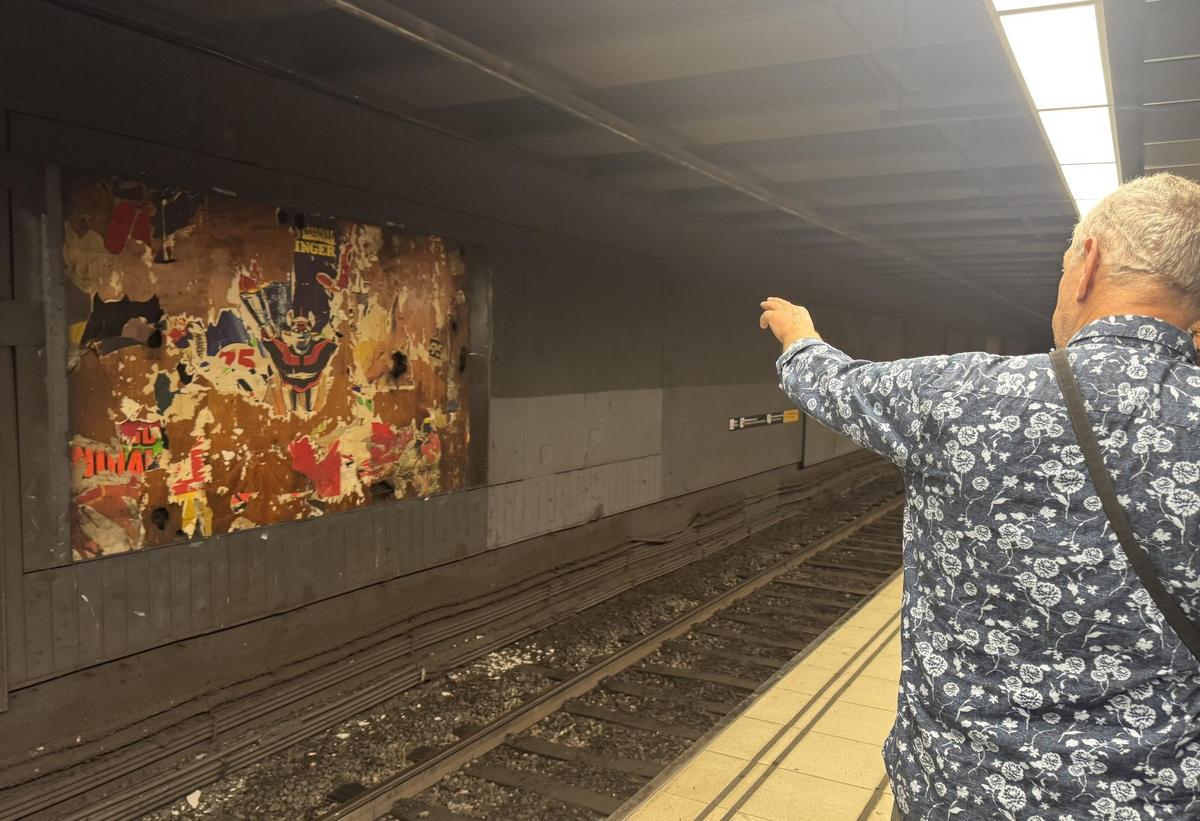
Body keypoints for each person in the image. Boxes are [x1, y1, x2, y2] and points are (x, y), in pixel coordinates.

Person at [758, 173, 1200, 820]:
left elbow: (838, 385)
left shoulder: (964, 395)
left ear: (1088, 264)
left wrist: (800, 338)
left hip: (959, 793)